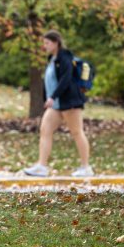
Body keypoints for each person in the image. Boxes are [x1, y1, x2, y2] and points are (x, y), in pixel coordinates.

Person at [23, 30, 93, 178]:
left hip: (70, 102)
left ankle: (86, 167)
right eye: (44, 43)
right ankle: (42, 166)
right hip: (57, 104)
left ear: (56, 43)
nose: (45, 46)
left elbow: (65, 79)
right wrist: (48, 98)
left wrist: (53, 97)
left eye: (47, 43)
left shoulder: (64, 57)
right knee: (45, 130)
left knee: (76, 132)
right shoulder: (52, 59)